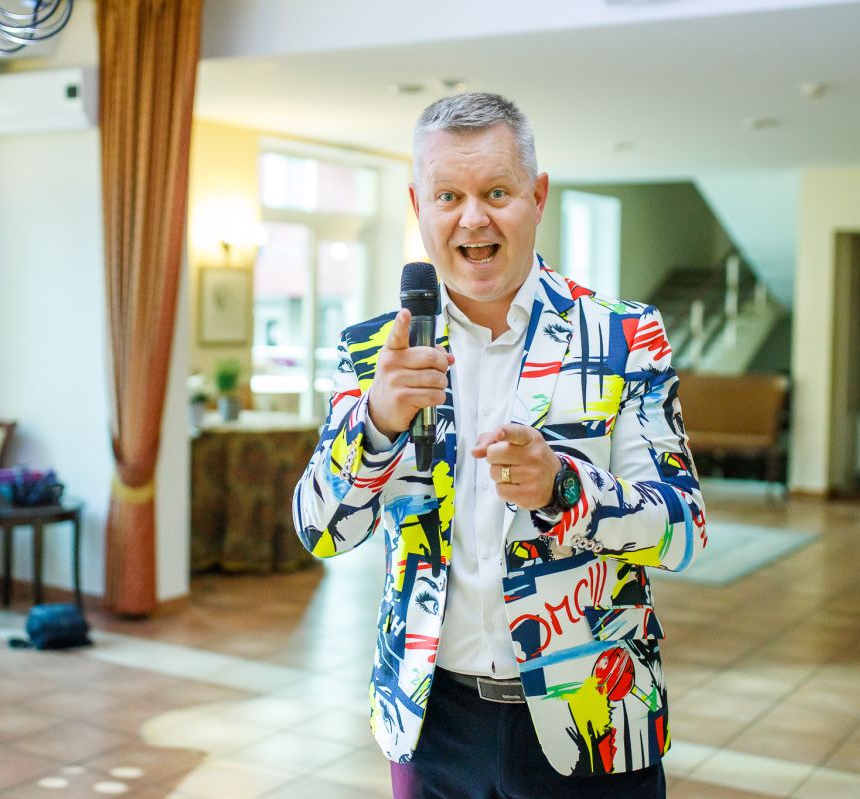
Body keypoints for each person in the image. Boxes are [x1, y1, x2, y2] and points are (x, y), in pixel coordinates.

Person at [293, 92, 707, 799]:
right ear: (418, 205)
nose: (472, 217)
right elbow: (321, 530)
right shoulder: (373, 354)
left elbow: (683, 531)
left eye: (496, 192)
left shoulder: (623, 336)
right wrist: (378, 423)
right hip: (432, 723)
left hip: (596, 712)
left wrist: (564, 489)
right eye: (447, 195)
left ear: (537, 197)